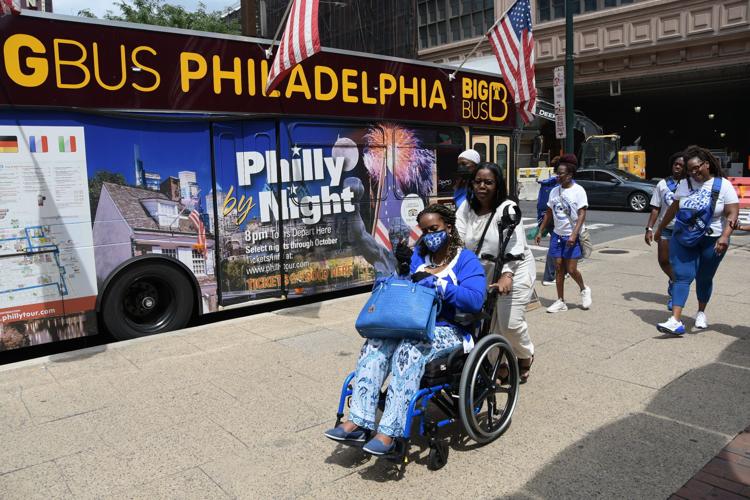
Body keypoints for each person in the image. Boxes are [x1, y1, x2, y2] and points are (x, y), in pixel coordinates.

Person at [324, 204, 486, 455]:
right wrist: (399, 276)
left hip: (450, 328)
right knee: (375, 344)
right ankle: (358, 420)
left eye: (435, 229)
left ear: (449, 227)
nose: (430, 235)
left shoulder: (466, 260)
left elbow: (475, 299)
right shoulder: (420, 259)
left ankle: (390, 431)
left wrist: (440, 285)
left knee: (408, 350)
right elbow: (409, 294)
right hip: (413, 324)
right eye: (425, 230)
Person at [456, 162, 537, 382]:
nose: (482, 186)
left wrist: (507, 275)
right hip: (484, 271)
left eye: (488, 182)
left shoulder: (507, 208)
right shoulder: (466, 207)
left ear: (497, 184)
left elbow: (515, 245)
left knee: (509, 323)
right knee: (489, 322)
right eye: (478, 181)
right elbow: (457, 239)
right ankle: (500, 364)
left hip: (515, 269)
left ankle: (525, 354)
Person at [654, 146, 739, 334]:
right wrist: (659, 229)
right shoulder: (685, 184)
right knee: (682, 276)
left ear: (706, 164)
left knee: (704, 277)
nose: (694, 173)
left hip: (713, 238)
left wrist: (725, 236)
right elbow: (673, 209)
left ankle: (701, 312)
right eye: (689, 170)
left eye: (696, 168)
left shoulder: (722, 185)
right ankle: (675, 320)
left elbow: (733, 213)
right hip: (684, 237)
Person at [535, 154, 592, 312]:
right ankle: (560, 301)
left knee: (571, 269)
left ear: (570, 175)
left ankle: (584, 289)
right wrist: (540, 231)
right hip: (557, 235)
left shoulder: (578, 191)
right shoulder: (554, 191)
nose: (558, 176)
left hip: (572, 234)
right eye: (557, 173)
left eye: (561, 174)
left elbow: (582, 214)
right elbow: (548, 212)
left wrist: (574, 234)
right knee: (559, 267)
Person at [645, 152, 685, 311]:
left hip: (684, 230)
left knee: (679, 263)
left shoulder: (691, 184)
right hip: (666, 229)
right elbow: (656, 208)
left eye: (682, 165)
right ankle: (674, 281)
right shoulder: (662, 184)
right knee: (663, 261)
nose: (678, 167)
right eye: (676, 164)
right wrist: (649, 228)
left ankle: (675, 294)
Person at [538, 156, 560, 286]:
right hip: (556, 221)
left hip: (545, 218)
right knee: (555, 247)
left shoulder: (546, 183)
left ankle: (562, 271)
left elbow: (541, 205)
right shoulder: (559, 186)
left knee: (558, 246)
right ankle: (549, 276)